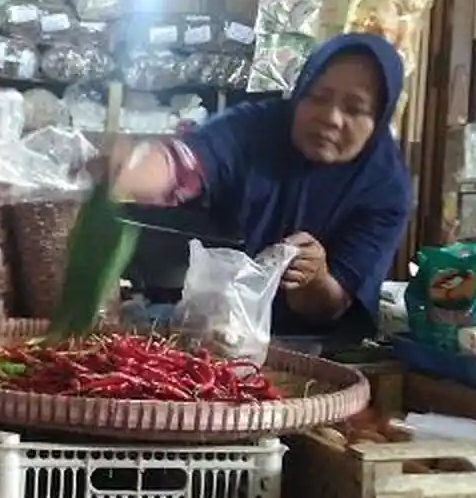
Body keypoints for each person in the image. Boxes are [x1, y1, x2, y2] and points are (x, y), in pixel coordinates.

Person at [109, 32, 410, 337]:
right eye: (318, 97)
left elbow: (332, 304)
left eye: (355, 109)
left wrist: (312, 278)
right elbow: (189, 161)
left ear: (379, 120)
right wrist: (136, 168)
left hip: (316, 348)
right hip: (217, 327)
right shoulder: (256, 129)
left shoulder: (386, 188)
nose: (331, 118)